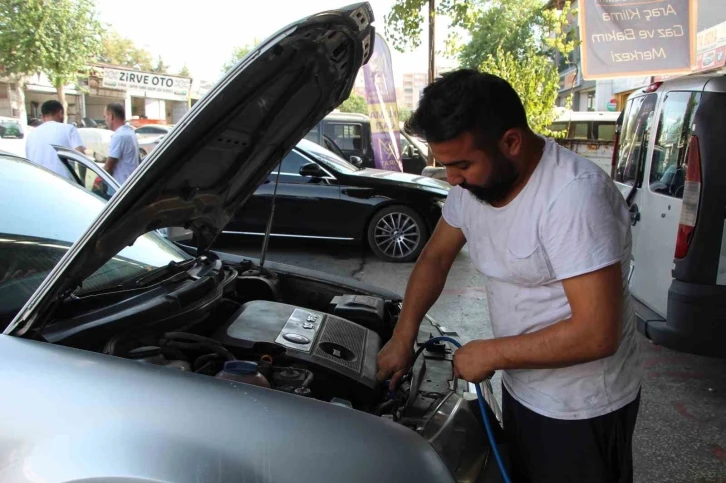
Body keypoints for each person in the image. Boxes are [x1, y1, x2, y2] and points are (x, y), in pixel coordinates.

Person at [376, 70, 642, 483]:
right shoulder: (472, 188)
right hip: (523, 389)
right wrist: (403, 334)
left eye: (462, 164)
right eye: (446, 165)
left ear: (511, 142)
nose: (452, 179)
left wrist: (492, 354)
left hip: (580, 407)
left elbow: (597, 333)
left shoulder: (573, 196)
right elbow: (436, 258)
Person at [25, 100, 85, 180]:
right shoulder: (69, 129)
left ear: (42, 117)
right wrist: (82, 180)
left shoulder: (31, 134)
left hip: (37, 183)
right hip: (64, 184)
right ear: (60, 113)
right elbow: (81, 158)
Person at [104, 102, 140, 184]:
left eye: (105, 116)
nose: (105, 120)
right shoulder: (130, 133)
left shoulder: (119, 136)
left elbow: (108, 168)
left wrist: (98, 182)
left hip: (119, 187)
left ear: (111, 116)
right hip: (130, 183)